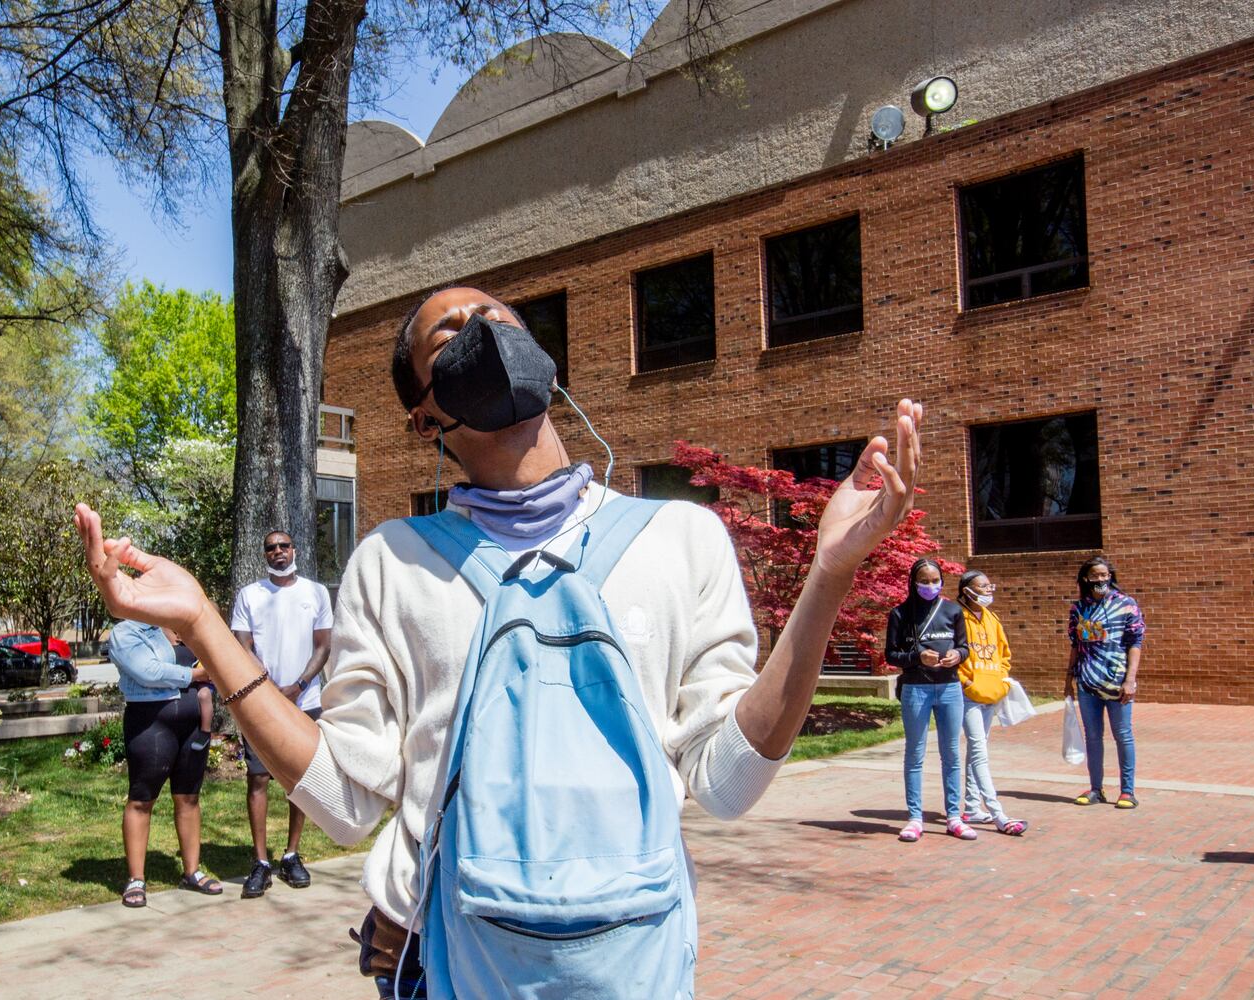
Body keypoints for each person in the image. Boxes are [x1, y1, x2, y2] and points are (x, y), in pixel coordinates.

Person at [74, 285, 923, 999]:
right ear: (425, 414)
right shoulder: (392, 562)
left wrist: (830, 576)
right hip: (446, 965)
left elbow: (729, 782)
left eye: (499, 314)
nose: (486, 329)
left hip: (634, 961)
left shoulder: (681, 537)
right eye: (453, 330)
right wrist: (202, 626)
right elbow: (344, 802)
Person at [230, 530, 333, 898]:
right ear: (265, 554)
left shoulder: (316, 593)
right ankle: (260, 862)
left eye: (283, 546)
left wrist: (300, 685)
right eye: (270, 547)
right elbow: (242, 646)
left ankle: (290, 855)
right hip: (261, 703)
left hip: (305, 701)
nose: (277, 552)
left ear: (295, 550)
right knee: (258, 779)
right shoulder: (250, 595)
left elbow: (323, 645)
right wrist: (268, 689)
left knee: (300, 782)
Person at [108, 618, 223, 906]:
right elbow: (149, 672)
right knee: (141, 799)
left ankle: (192, 871)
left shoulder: (183, 625)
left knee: (189, 797)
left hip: (193, 724)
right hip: (151, 725)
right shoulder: (126, 632)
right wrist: (197, 675)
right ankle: (136, 879)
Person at [884, 557, 973, 843]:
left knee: (951, 753)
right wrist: (916, 658)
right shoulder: (900, 613)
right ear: (913, 582)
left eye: (935, 581)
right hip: (916, 688)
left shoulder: (952, 610)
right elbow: (891, 655)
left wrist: (958, 656)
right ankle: (914, 818)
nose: (930, 586)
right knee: (915, 753)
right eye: (924, 581)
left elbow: (964, 647)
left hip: (949, 687)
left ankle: (954, 817)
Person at [1064, 556, 1145, 809]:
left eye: (1104, 575)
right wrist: (1068, 679)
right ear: (1086, 579)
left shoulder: (1126, 605)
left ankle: (1127, 791)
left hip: (1116, 682)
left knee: (1123, 735)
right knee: (1093, 736)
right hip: (1087, 682)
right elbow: (1076, 646)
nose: (1100, 580)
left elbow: (1135, 643)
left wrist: (1130, 679)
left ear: (1110, 576)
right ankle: (1096, 789)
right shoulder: (1079, 609)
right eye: (1095, 576)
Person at [955, 570, 1027, 836]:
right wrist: (966, 682)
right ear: (966, 590)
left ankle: (972, 807)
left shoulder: (991, 618)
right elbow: (952, 653)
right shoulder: (955, 616)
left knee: (979, 747)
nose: (988, 590)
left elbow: (1003, 651)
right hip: (968, 694)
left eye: (989, 586)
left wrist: (1002, 679)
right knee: (978, 748)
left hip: (992, 691)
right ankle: (997, 813)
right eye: (982, 586)